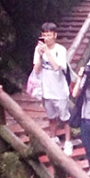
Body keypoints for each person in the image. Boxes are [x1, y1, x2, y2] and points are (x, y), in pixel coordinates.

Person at [32, 22, 74, 155]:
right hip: (46, 90)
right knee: (51, 117)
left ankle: (68, 142)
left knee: (65, 118)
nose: (47, 38)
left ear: (55, 35)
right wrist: (39, 55)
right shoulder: (38, 50)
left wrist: (47, 53)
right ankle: (53, 137)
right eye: (44, 35)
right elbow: (36, 70)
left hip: (60, 91)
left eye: (49, 35)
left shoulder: (61, 50)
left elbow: (57, 67)